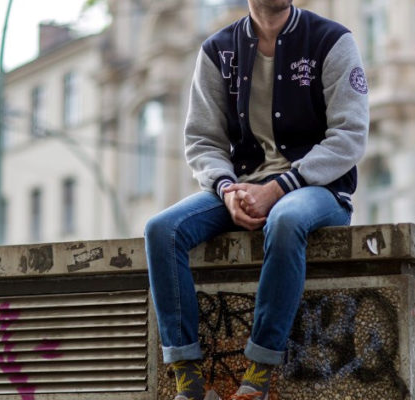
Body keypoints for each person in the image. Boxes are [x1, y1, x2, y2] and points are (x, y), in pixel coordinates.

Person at [144, 0, 369, 399]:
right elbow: (202, 140)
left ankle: (258, 376)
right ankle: (187, 378)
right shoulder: (217, 51)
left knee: (285, 219)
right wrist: (227, 190)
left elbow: (349, 135)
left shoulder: (331, 40)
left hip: (318, 190)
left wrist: (278, 188)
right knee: (161, 230)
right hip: (242, 186)